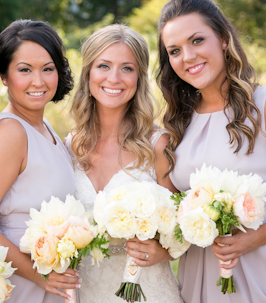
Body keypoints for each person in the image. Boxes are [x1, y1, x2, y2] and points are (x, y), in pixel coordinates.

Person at [157, 0, 266, 303]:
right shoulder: (174, 126)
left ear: (223, 39)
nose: (188, 56)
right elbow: (169, 211)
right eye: (175, 51)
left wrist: (253, 239)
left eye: (197, 40)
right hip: (201, 271)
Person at [0, 20, 78, 302]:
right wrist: (39, 276)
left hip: (50, 281)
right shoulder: (9, 132)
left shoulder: (44, 127)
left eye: (48, 69)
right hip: (23, 283)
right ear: (3, 76)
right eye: (25, 70)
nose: (38, 81)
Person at [67, 24, 183, 302]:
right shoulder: (70, 146)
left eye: (127, 68)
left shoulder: (157, 145)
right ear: (88, 73)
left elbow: (181, 223)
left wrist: (163, 251)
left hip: (147, 290)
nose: (114, 78)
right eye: (103, 66)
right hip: (85, 290)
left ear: (139, 77)